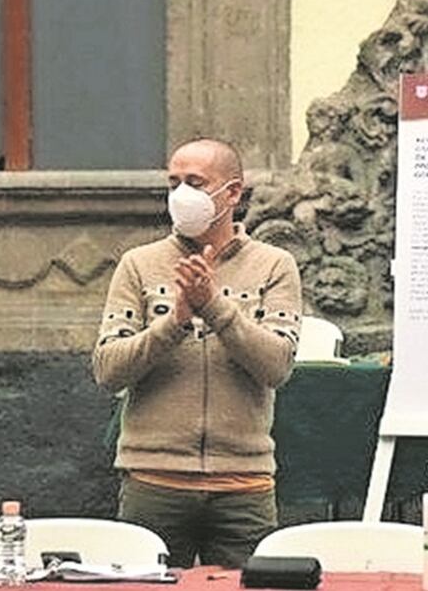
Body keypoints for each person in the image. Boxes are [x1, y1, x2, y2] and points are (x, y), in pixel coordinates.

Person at [93, 139, 303, 568]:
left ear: (233, 193)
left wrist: (214, 307)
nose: (181, 195)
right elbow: (108, 369)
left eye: (195, 182)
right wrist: (174, 322)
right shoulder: (139, 264)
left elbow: (277, 365)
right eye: (173, 183)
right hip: (153, 481)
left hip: (243, 485)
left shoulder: (275, 265)